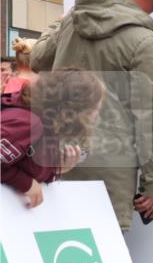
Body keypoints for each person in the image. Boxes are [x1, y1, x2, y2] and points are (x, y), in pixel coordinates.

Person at [30, 0, 153, 230]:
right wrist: (150, 183)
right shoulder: (144, 41)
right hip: (110, 168)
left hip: (54, 158)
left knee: (54, 248)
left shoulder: (74, 20)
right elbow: (149, 116)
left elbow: (37, 59)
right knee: (104, 253)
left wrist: (60, 22)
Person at [1, 68, 104, 207]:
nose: (97, 115)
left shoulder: (48, 127)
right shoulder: (28, 123)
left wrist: (59, 168)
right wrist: (25, 183)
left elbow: (26, 167)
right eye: (95, 109)